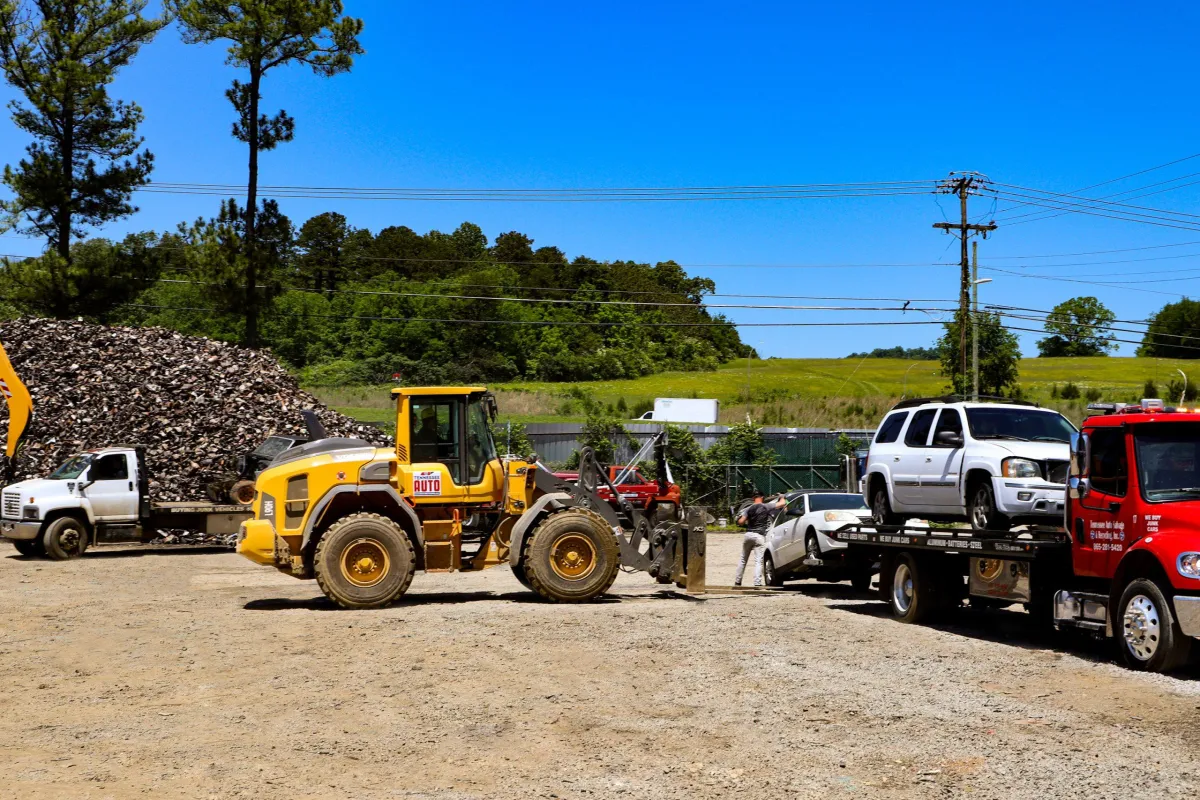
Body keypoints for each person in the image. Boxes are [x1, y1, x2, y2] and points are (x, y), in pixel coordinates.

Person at [734, 490, 788, 586]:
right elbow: (782, 503)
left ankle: (737, 582)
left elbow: (741, 521)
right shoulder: (766, 506)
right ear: (762, 497)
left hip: (748, 535)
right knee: (758, 561)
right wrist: (782, 496)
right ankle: (757, 583)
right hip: (759, 536)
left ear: (753, 498)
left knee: (743, 559)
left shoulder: (748, 508)